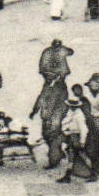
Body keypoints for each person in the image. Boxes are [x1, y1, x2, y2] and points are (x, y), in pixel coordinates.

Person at [31, 39, 74, 168]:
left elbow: (62, 104)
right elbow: (42, 98)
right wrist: (35, 110)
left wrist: (55, 118)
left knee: (53, 134)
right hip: (47, 116)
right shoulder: (47, 55)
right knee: (47, 134)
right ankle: (61, 151)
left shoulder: (60, 87)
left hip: (54, 117)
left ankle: (55, 159)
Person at [56, 87, 98, 183]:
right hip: (72, 137)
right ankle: (68, 176)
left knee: (82, 155)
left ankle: (93, 174)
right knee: (72, 156)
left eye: (72, 106)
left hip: (77, 137)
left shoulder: (79, 116)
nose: (71, 107)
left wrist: (82, 141)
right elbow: (66, 123)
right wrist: (65, 130)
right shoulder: (71, 114)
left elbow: (84, 129)